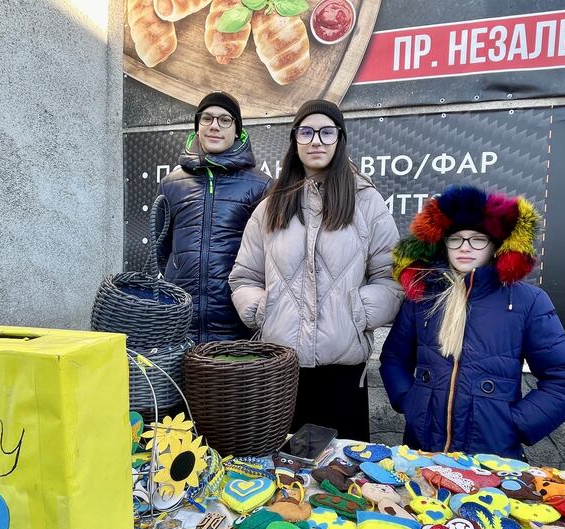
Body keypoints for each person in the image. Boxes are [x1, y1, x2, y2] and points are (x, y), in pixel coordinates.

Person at [229, 100, 402, 441]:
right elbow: (244, 276)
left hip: (343, 373)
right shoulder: (271, 206)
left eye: (326, 132)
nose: (316, 141)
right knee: (281, 479)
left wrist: (357, 312)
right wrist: (263, 310)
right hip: (280, 369)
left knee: (340, 479)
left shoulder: (366, 202)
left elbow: (392, 277)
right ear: (294, 141)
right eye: (306, 132)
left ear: (340, 140)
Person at [379, 185, 565, 459]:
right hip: (423, 450)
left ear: (494, 246)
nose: (465, 247)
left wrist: (513, 425)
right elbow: (394, 359)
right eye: (456, 239)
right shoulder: (422, 296)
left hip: (491, 457)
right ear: (444, 243)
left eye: (478, 239)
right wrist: (411, 402)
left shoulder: (526, 301)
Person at [157, 91, 271, 343]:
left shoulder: (261, 185)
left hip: (236, 325)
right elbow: (163, 250)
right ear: (197, 126)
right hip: (181, 325)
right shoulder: (171, 184)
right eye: (207, 118)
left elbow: (268, 255)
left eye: (224, 120)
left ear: (237, 130)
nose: (214, 126)